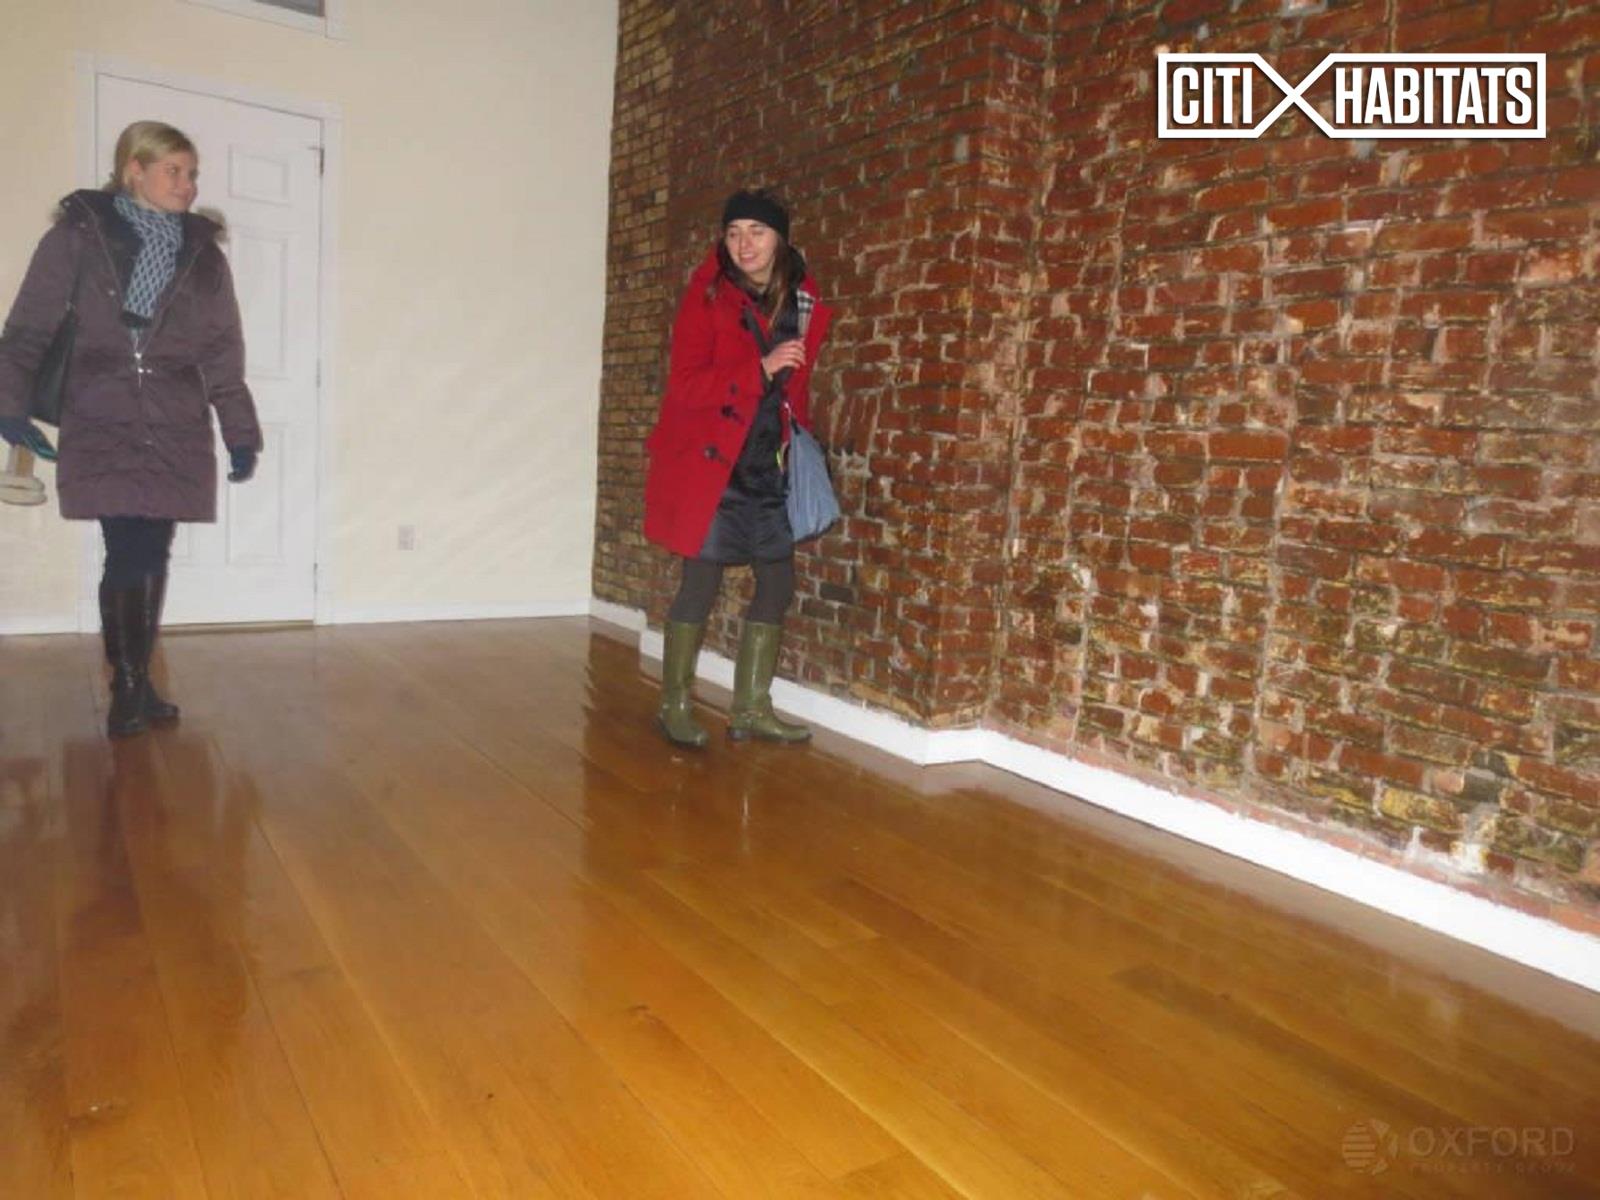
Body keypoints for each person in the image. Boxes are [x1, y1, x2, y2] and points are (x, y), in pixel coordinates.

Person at [0, 120, 262, 738]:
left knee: (151, 548)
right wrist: (9, 408)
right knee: (128, 546)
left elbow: (222, 350)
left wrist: (239, 430)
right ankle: (128, 682)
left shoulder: (203, 256)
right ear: (133, 171)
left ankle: (134, 680)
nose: (188, 184)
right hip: (101, 410)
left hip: (175, 416)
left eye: (192, 173)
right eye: (174, 170)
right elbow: (29, 326)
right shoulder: (77, 236)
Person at [643, 188, 834, 748]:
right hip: (714, 467)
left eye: (757, 231)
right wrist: (759, 368)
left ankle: (751, 707)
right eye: (733, 233)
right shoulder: (707, 296)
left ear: (780, 239)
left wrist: (797, 442)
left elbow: (794, 390)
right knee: (700, 582)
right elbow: (684, 386)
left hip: (766, 465)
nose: (744, 244)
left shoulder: (801, 302)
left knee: (777, 580)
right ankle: (675, 704)